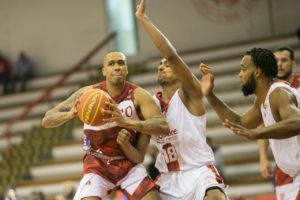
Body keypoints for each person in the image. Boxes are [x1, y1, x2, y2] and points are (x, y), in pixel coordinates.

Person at [41, 51, 170, 200]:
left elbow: (163, 126)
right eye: (111, 64)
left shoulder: (139, 95)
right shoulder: (88, 94)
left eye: (121, 63)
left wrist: (128, 123)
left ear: (126, 69)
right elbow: (47, 120)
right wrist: (69, 114)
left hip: (128, 164)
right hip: (97, 164)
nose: (117, 67)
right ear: (104, 71)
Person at [136, 1, 227, 199]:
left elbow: (170, 54)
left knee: (215, 197)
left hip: (199, 172)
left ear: (178, 72)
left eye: (166, 65)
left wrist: (144, 19)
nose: (161, 66)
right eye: (159, 65)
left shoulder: (189, 94)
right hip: (167, 176)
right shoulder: (149, 103)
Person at [199, 47, 300, 199]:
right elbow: (242, 123)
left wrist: (257, 133)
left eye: (243, 69)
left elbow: (297, 122)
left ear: (258, 72)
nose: (240, 75)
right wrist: (210, 95)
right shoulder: (263, 98)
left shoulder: (278, 93)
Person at [258, 46, 300, 199]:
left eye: (284, 60)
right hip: (284, 165)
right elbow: (264, 125)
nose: (280, 64)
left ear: (293, 64)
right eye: (276, 61)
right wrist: (263, 158)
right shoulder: (268, 90)